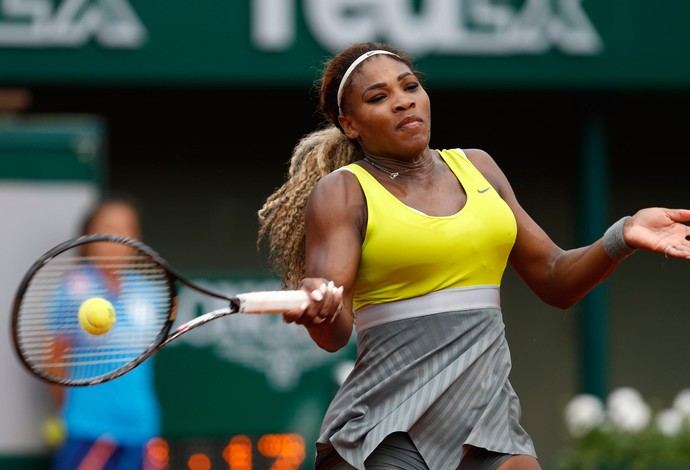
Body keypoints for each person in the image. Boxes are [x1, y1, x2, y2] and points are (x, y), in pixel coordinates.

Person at [257, 41, 690, 470]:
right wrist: (322, 307)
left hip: (487, 423)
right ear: (350, 124)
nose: (403, 103)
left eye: (409, 87)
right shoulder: (343, 191)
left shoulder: (479, 167)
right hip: (386, 429)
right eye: (379, 97)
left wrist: (624, 234)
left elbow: (556, 279)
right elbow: (333, 334)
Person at [49, 197, 162, 470]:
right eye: (109, 228)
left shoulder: (152, 291)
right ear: (88, 237)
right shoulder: (72, 288)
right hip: (88, 431)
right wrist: (78, 413)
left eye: (127, 229)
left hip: (142, 430)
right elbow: (54, 361)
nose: (118, 239)